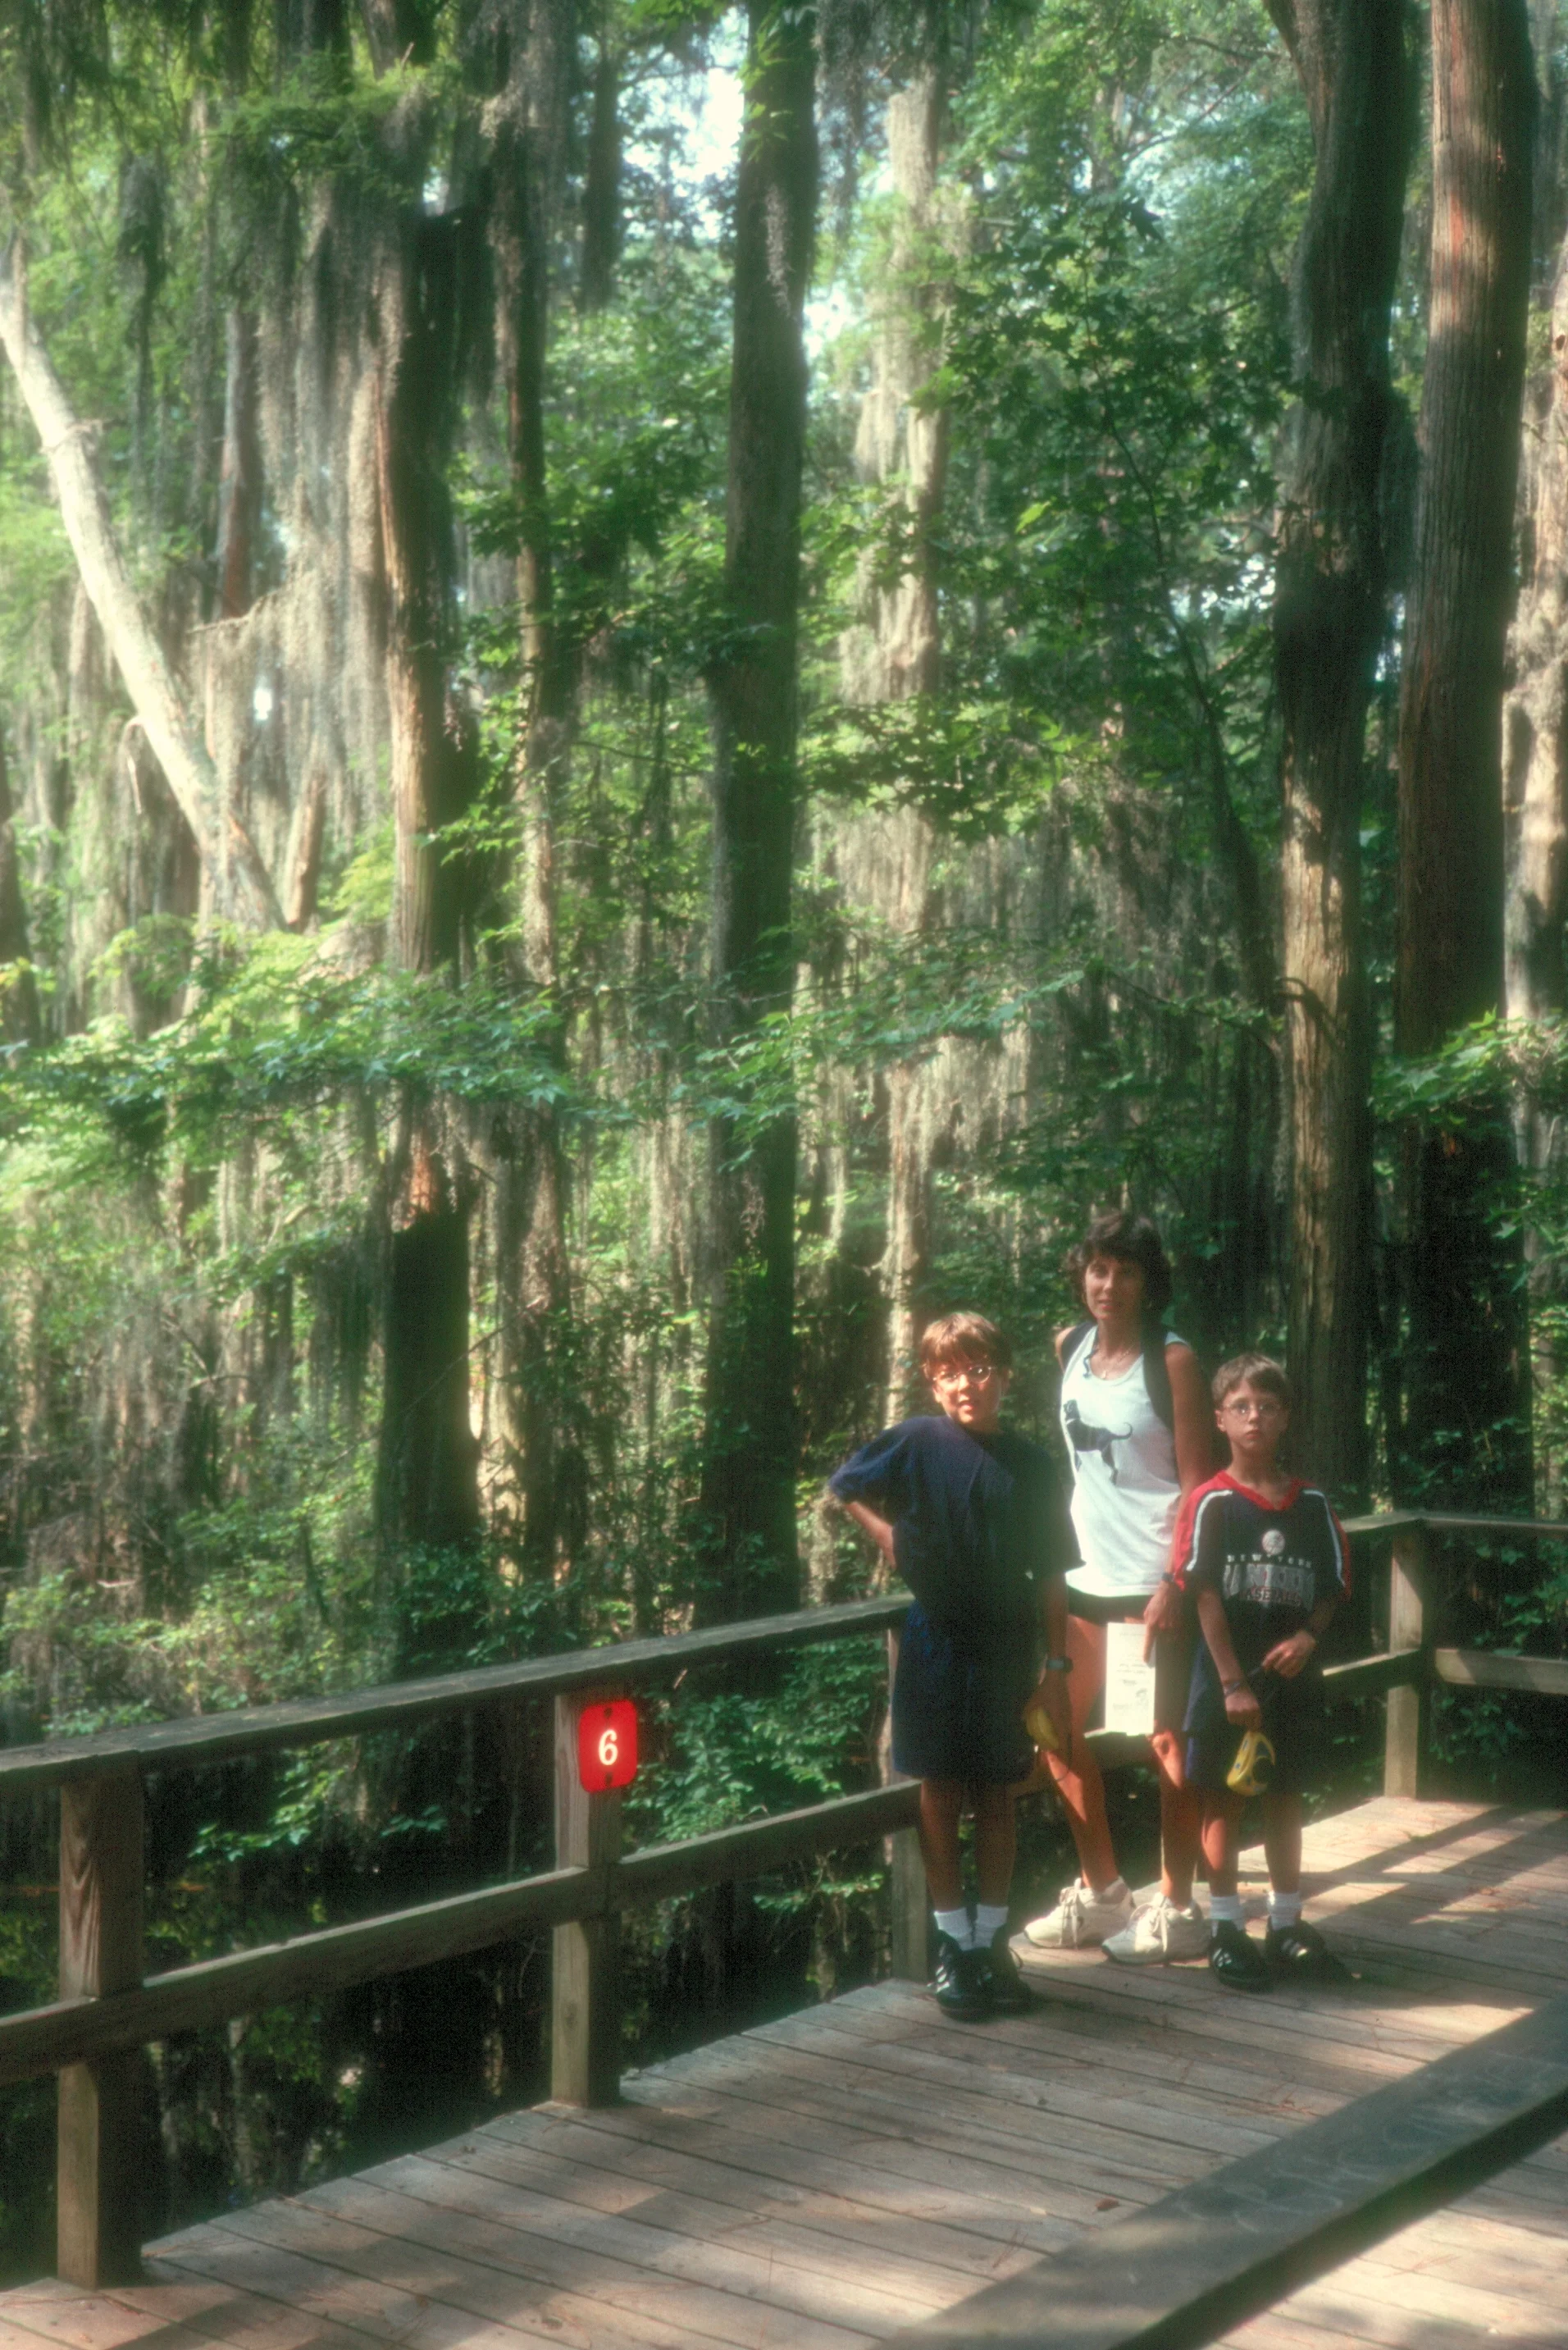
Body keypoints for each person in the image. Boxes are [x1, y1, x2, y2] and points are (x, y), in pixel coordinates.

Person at [828, 1311, 1073, 2020]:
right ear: (933, 1382)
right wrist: (891, 1538)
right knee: (939, 1789)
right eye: (950, 1372)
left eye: (981, 1368)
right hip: (934, 1639)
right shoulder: (915, 1439)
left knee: (998, 1790)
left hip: (1009, 1643)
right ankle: (951, 1945)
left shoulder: (1029, 1462)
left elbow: (1054, 1571)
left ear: (1005, 1374)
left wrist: (1055, 1665)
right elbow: (845, 1486)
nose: (968, 1384)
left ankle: (991, 1944)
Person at [1023, 1212, 1211, 1963]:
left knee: (1164, 1740)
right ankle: (1104, 1893)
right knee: (1055, 1730)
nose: (1108, 1284)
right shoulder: (1068, 1347)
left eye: (1125, 1271)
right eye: (1098, 1268)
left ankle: (1176, 1904)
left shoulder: (1173, 1363)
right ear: (1083, 1274)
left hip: (1147, 1585)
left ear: (1146, 1281)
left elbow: (1199, 1484)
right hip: (1080, 1581)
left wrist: (1175, 1579)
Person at [1173, 1353, 1350, 1992]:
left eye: (1267, 1407)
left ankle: (1286, 1922)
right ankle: (1225, 1925)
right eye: (1241, 1407)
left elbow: (1332, 1587)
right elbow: (1204, 1595)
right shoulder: (1212, 1502)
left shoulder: (1312, 1505)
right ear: (1220, 1418)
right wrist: (1231, 1682)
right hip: (1229, 1676)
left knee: (1284, 1793)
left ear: (1284, 1418)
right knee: (1222, 1795)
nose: (1255, 1417)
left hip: (1293, 1676)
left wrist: (1308, 1635)